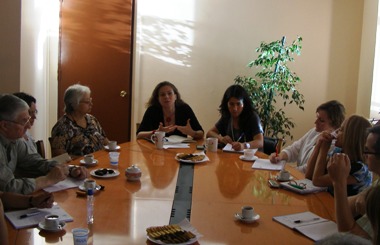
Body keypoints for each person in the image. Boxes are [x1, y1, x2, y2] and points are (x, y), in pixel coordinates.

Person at [0, 94, 87, 194]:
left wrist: (69, 170)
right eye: (24, 121)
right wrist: (47, 180)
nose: (28, 126)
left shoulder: (15, 140)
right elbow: (9, 187)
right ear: (5, 125)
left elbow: (35, 162)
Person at [328, 125, 380, 240]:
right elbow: (347, 206)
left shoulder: (359, 168)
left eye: (367, 150)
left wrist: (339, 181)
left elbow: (349, 234)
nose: (364, 154)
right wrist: (362, 196)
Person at [269, 100, 345, 170]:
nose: (315, 122)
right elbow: (294, 149)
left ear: (334, 125)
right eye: (317, 117)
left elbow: (308, 169)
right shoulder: (313, 131)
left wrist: (285, 171)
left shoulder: (333, 145)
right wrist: (280, 156)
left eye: (321, 121)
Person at [307, 115, 372, 196]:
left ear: (350, 137)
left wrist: (324, 150)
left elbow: (317, 181)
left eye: (341, 129)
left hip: (346, 208)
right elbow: (309, 176)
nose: (336, 132)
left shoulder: (359, 168)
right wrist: (318, 145)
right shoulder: (338, 153)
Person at [51, 84, 109, 158]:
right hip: (78, 167)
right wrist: (84, 159)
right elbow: (59, 157)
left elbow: (105, 140)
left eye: (90, 100)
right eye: (87, 102)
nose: (91, 104)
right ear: (74, 104)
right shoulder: (62, 127)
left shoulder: (92, 120)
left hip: (100, 162)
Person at [136, 81, 204, 140]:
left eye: (169, 93)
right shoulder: (152, 110)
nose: (166, 97)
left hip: (180, 151)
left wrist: (191, 133)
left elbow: (201, 133)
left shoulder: (184, 109)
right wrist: (156, 132)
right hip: (156, 149)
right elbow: (139, 135)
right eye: (162, 95)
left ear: (175, 96)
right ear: (158, 99)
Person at [206, 84, 263, 151]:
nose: (235, 109)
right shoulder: (227, 116)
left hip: (251, 157)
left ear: (244, 104)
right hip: (232, 157)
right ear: (226, 104)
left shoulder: (252, 117)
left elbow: (260, 142)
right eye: (231, 104)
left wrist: (243, 145)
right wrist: (221, 138)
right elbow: (209, 133)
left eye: (238, 104)